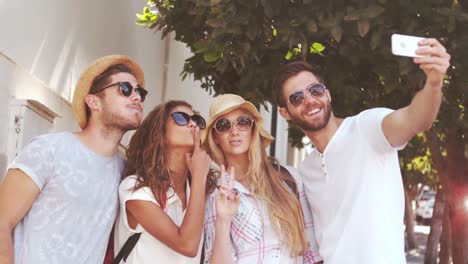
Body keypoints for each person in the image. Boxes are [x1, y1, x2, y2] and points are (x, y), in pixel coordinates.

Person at [272, 39, 450, 263]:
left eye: (314, 90)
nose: (309, 100)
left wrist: (434, 84)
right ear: (285, 113)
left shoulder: (367, 127)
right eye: (296, 98)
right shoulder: (307, 169)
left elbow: (416, 118)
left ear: (327, 94)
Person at [0, 55, 147, 264]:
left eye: (140, 92)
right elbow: (2, 222)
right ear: (93, 101)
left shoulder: (125, 174)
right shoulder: (48, 150)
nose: (137, 97)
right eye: (125, 88)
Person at [201, 94, 323, 264]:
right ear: (216, 137)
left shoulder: (289, 178)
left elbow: (312, 253)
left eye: (243, 122)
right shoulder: (215, 194)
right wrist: (223, 219)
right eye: (224, 125)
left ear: (253, 130)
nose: (234, 131)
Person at [113, 100, 216, 263]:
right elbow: (187, 245)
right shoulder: (135, 188)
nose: (192, 124)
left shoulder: (199, 193)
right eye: (182, 118)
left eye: (196, 120)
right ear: (159, 131)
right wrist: (199, 177)